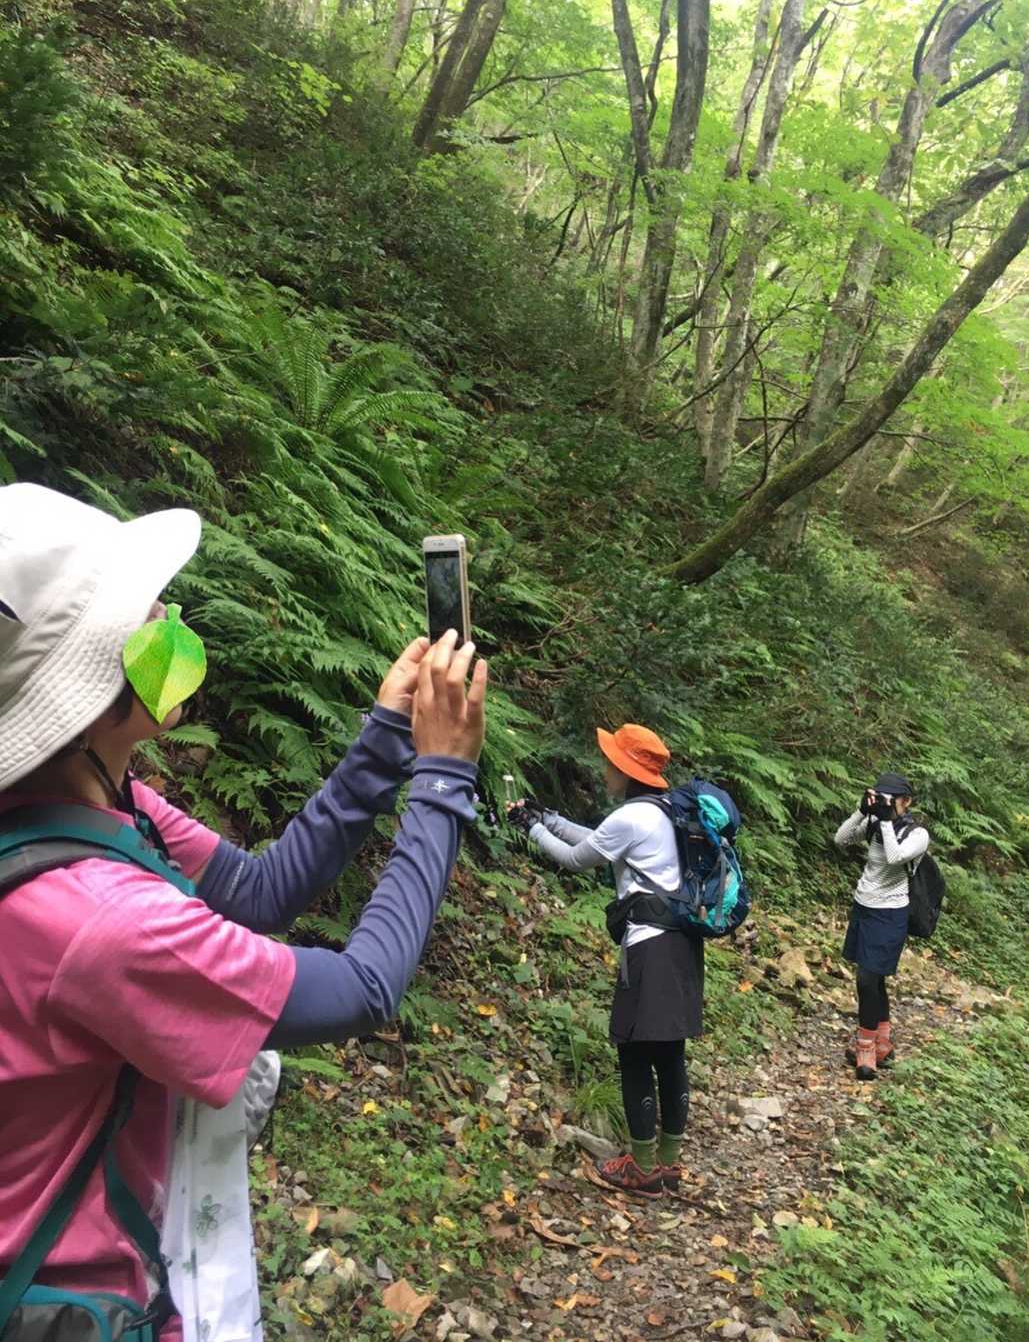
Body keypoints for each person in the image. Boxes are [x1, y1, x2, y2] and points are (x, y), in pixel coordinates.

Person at [0, 482, 487, 1340]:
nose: (174, 626)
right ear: (87, 691)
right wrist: (442, 778)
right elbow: (364, 987)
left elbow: (263, 890)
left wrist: (386, 734)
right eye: (149, 620)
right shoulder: (102, 919)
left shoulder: (102, 806)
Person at [510, 724, 735, 1198]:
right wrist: (548, 818)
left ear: (627, 769)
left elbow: (576, 858)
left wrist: (530, 828)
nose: (604, 769)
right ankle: (667, 1165)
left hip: (649, 949)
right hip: (682, 945)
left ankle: (642, 1170)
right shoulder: (667, 811)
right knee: (670, 1055)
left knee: (634, 1053)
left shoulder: (632, 816)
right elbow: (598, 840)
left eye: (610, 761)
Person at [836, 773, 929, 1081]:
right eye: (880, 797)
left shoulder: (917, 834)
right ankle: (883, 1042)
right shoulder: (875, 822)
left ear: (907, 802)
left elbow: (893, 857)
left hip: (890, 913)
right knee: (874, 979)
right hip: (863, 906)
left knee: (867, 979)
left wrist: (886, 820)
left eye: (891, 799)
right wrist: (861, 811)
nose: (885, 803)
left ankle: (866, 1049)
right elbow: (841, 839)